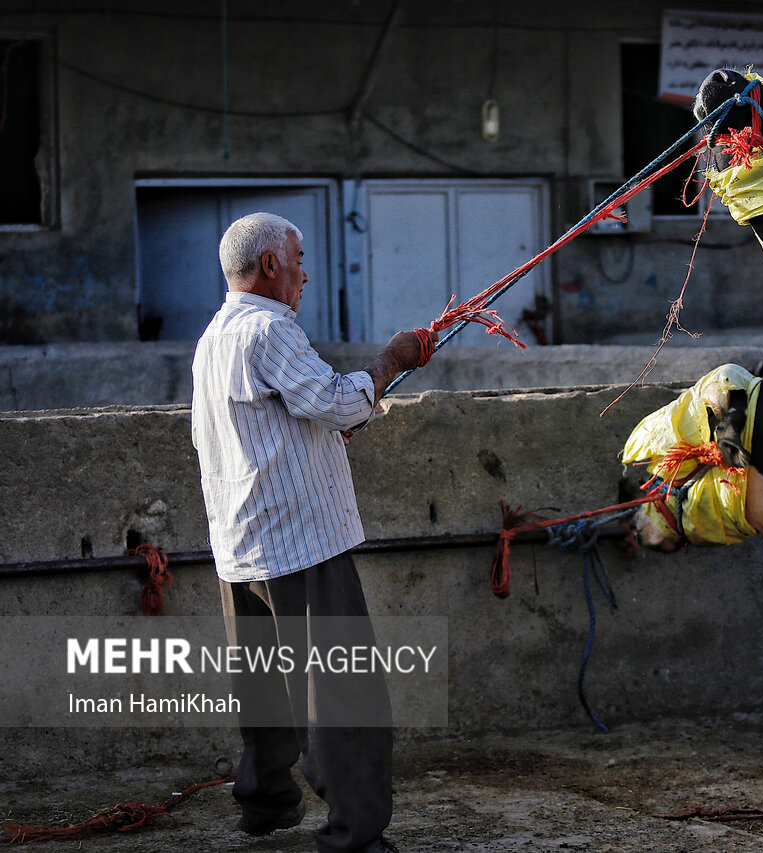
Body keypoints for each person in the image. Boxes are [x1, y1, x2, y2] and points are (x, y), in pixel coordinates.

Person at [192, 212, 433, 853]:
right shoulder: (270, 329)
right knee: (343, 691)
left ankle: (266, 809)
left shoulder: (216, 334)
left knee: (264, 689)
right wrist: (393, 358)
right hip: (298, 543)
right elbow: (335, 401)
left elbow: (283, 418)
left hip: (241, 547)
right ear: (269, 265)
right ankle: (354, 836)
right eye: (297, 258)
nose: (305, 272)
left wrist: (334, 413)